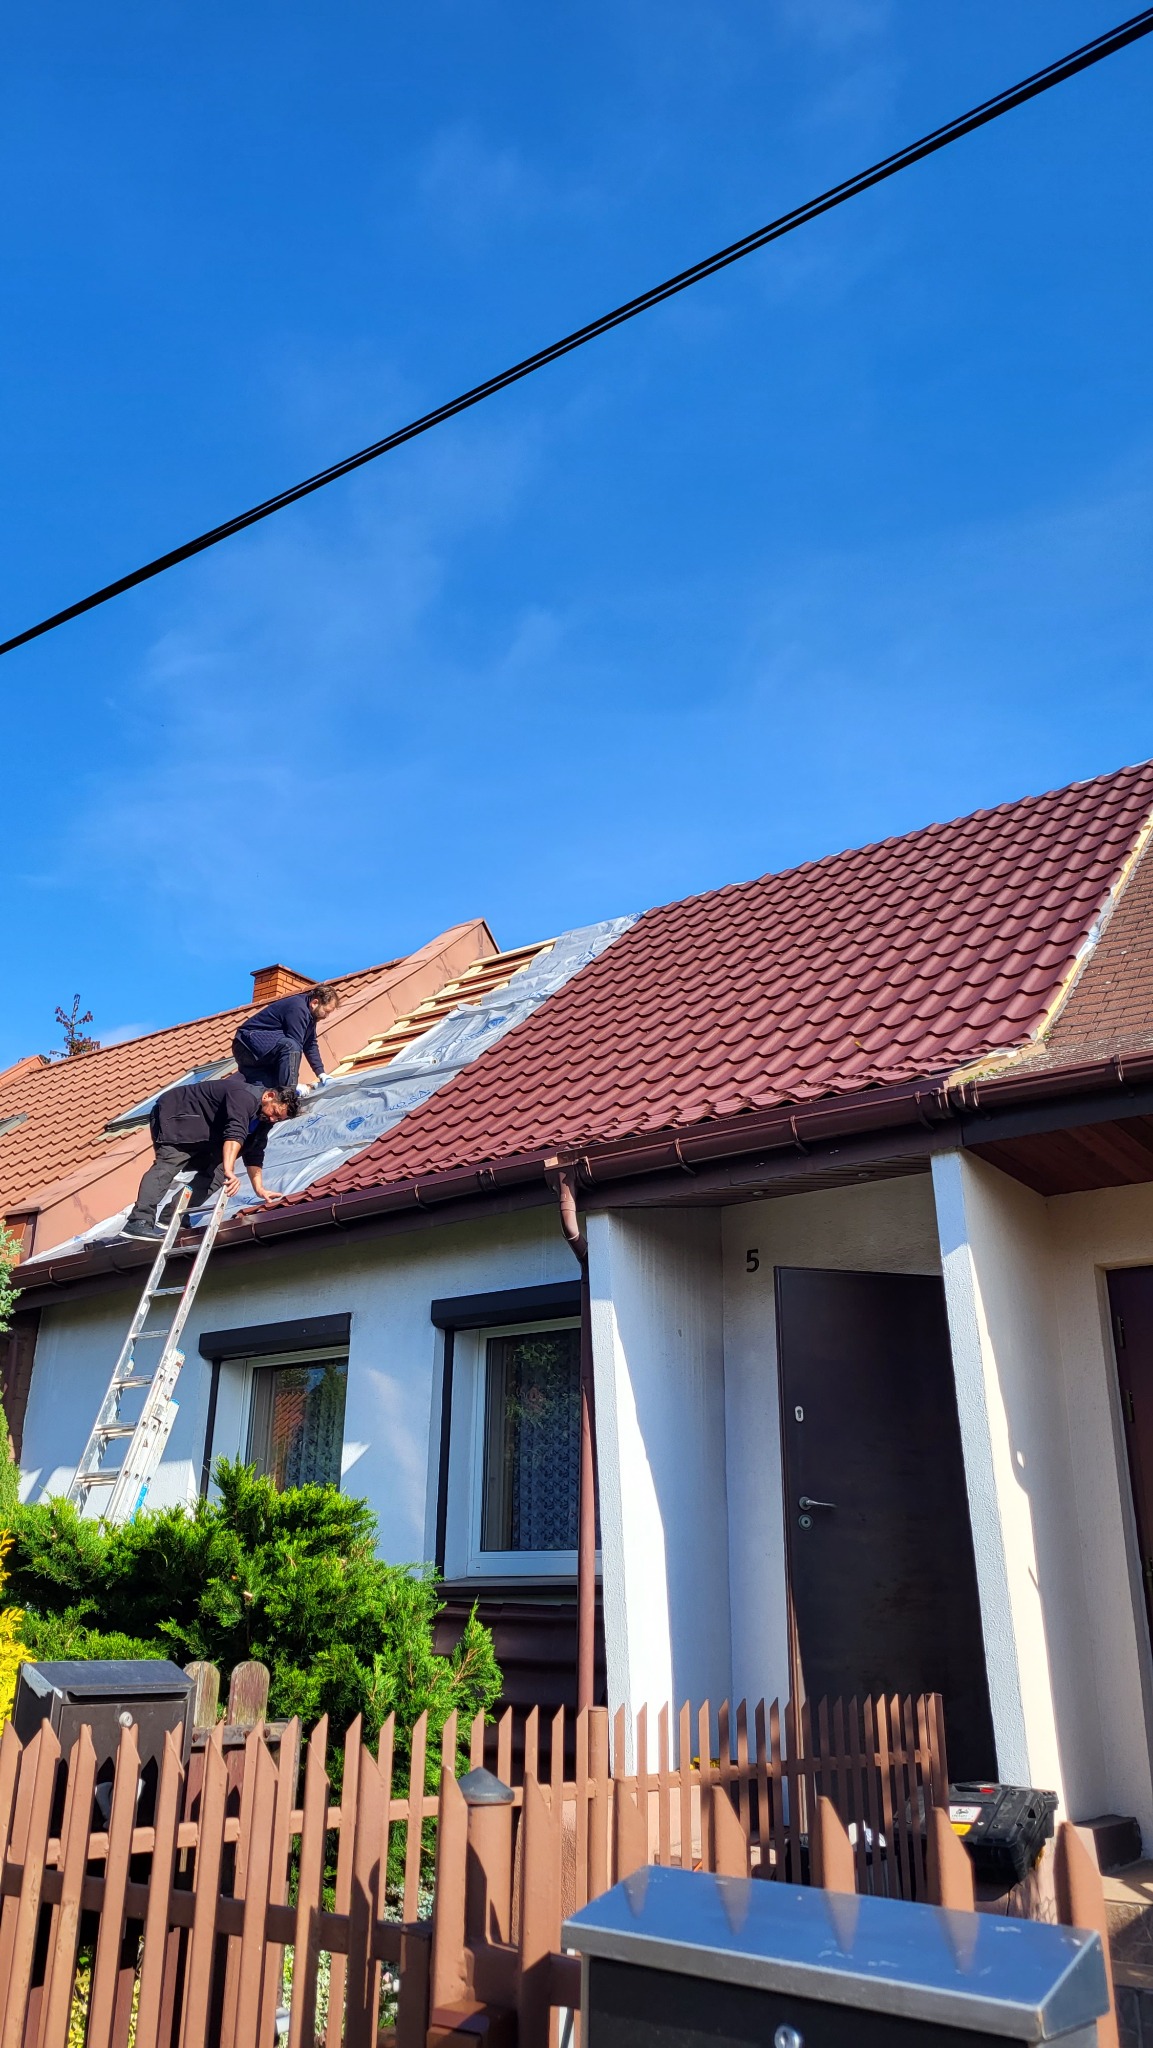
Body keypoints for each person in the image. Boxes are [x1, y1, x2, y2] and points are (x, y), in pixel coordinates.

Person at [121, 1074, 301, 1241]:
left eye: (279, 1120)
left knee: (219, 1173)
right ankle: (139, 1221)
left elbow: (254, 1151)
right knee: (169, 1163)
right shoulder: (244, 1096)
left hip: (204, 1131)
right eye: (276, 1113)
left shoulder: (263, 1119)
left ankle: (174, 1214)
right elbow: (234, 1133)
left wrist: (259, 1188)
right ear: (269, 1096)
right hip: (178, 1115)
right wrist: (230, 1170)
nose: (273, 1120)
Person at [231, 983, 339, 1092]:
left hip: (256, 1053)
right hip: (249, 1044)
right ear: (315, 1003)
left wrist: (321, 1073)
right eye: (326, 1011)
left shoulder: (310, 1017)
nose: (326, 1016)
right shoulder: (298, 1008)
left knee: (269, 1093)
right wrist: (293, 1085)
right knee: (291, 1046)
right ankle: (289, 1091)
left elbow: (310, 1045)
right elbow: (295, 1048)